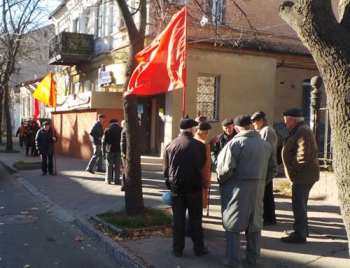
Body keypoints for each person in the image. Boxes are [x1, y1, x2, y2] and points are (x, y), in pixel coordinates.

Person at [216, 115, 278, 267]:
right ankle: (252, 259)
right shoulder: (265, 145)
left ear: (236, 128)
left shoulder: (234, 144)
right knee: (254, 225)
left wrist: (225, 184)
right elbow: (273, 169)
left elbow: (224, 171)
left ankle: (233, 260)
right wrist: (261, 182)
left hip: (236, 190)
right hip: (257, 191)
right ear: (250, 126)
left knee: (233, 225)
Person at [164, 118, 209, 258]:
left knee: (178, 220)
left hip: (176, 187)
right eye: (195, 128)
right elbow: (201, 164)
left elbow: (166, 170)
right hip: (194, 187)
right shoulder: (199, 145)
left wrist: (170, 184)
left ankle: (177, 249)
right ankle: (199, 249)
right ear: (191, 129)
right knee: (196, 219)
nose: (196, 130)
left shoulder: (170, 145)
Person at [280, 108, 320, 243]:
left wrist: (293, 169)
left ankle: (300, 233)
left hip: (303, 176)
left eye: (286, 120)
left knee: (298, 205)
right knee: (300, 204)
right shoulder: (299, 129)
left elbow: (302, 156)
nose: (284, 122)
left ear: (292, 119)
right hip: (303, 175)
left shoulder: (302, 130)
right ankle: (302, 230)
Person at [251, 111, 278, 226]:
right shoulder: (262, 130)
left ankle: (269, 217)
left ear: (261, 120)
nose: (253, 125)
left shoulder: (267, 131)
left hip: (266, 166)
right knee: (264, 192)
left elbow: (267, 149)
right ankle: (267, 216)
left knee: (266, 193)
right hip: (264, 166)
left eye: (255, 122)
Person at [194, 120, 212, 209]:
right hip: (200, 178)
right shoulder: (204, 144)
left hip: (189, 177)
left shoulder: (192, 140)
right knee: (199, 204)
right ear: (206, 131)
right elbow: (206, 165)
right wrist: (207, 181)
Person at [102, 119, 122, 185]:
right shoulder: (121, 129)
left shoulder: (107, 130)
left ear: (111, 123)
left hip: (109, 150)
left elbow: (104, 141)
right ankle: (117, 180)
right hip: (118, 150)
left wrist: (104, 150)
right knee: (117, 166)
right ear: (117, 123)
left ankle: (108, 180)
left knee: (109, 165)